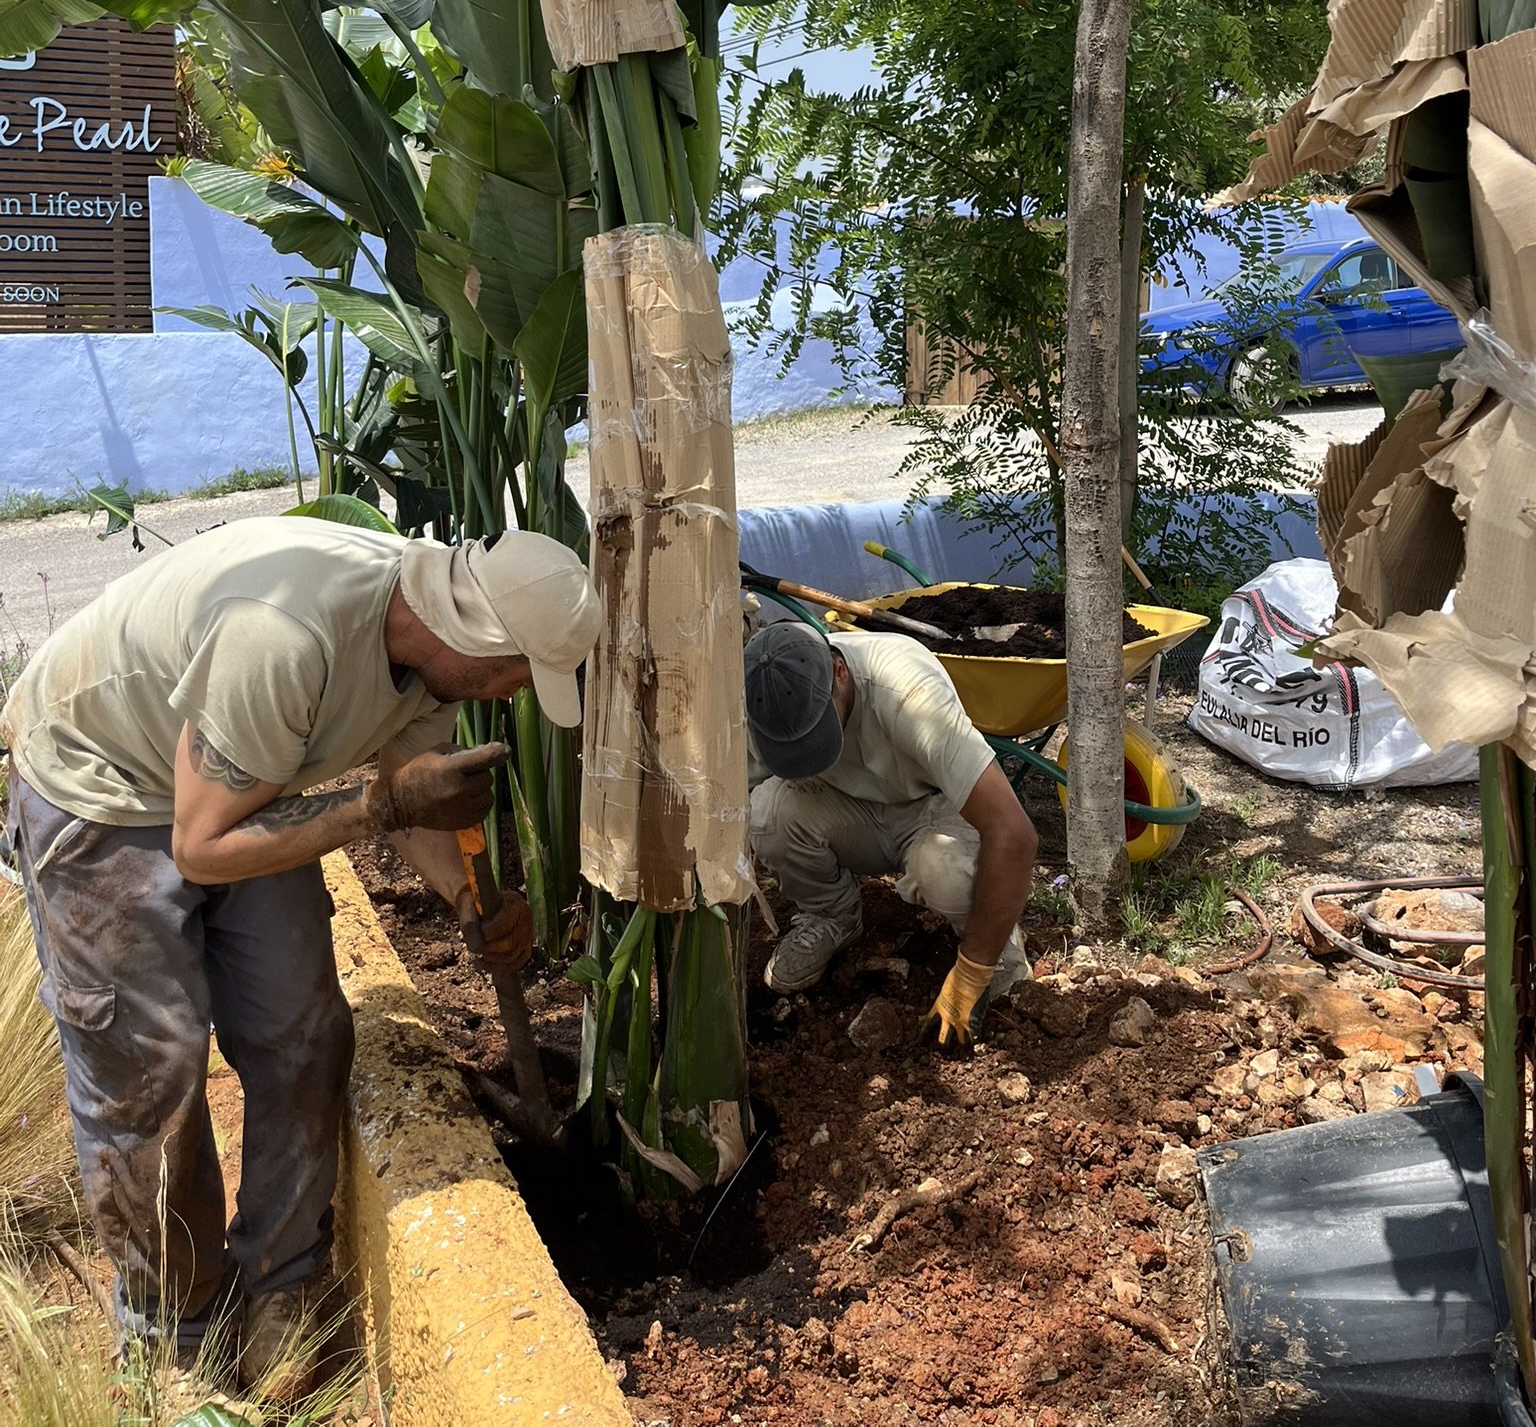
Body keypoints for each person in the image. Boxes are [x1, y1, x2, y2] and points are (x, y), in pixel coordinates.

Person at [1, 515, 600, 1396]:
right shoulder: (282, 637)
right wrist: (376, 812)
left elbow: (413, 783)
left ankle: (282, 1281)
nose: (513, 692)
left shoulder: (430, 652)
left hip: (242, 780)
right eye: (517, 671)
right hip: (103, 786)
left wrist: (473, 901)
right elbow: (203, 846)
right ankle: (178, 1335)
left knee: (304, 1028)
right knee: (150, 1069)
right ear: (475, 637)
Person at [744, 620, 1038, 1047]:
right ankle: (833, 917)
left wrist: (973, 971)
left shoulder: (908, 694)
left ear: (839, 671)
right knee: (767, 814)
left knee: (945, 870)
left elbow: (1014, 834)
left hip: (931, 808)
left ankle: (996, 947)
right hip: (845, 808)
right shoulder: (758, 702)